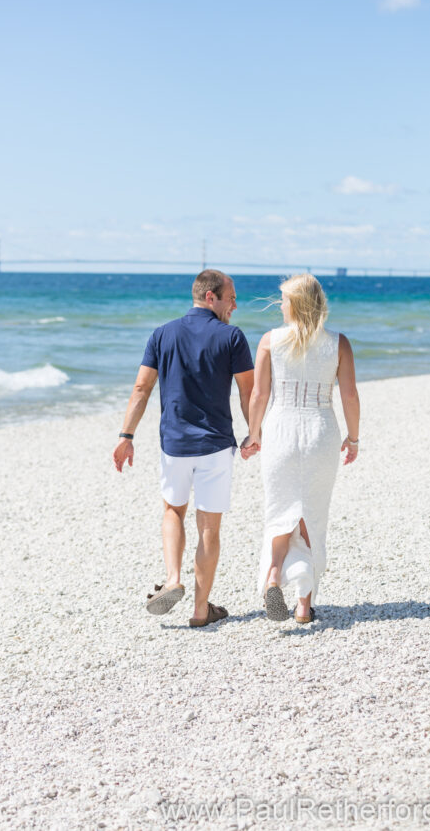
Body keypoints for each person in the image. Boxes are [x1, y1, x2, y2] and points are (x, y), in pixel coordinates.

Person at [113, 269, 254, 628]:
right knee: (209, 527)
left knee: (173, 511)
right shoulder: (232, 337)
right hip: (215, 446)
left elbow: (141, 388)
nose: (235, 306)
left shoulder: (162, 334)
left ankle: (173, 578)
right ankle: (200, 610)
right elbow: (248, 391)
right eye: (231, 298)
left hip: (175, 445)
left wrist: (126, 435)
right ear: (210, 297)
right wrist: (255, 432)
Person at [241, 273, 359, 623]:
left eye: (283, 299)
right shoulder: (338, 343)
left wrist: (253, 434)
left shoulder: (270, 340)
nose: (280, 305)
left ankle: (273, 575)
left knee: (280, 511)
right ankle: (304, 605)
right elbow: (350, 395)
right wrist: (353, 438)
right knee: (312, 515)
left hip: (281, 429)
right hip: (320, 430)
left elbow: (259, 395)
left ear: (294, 304)